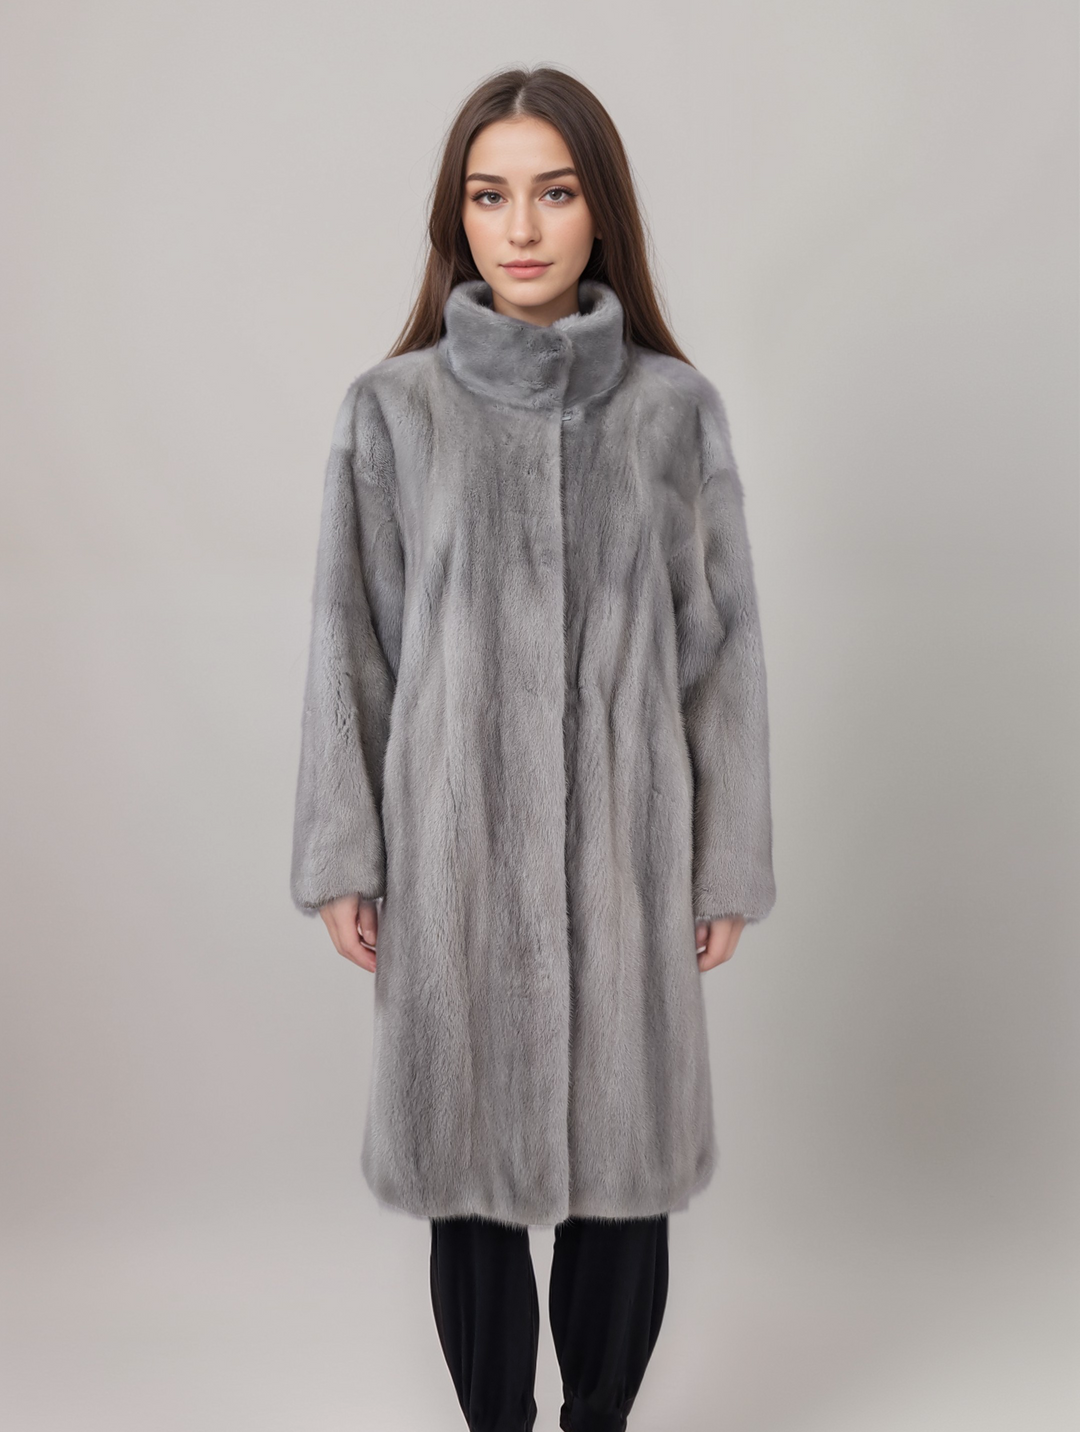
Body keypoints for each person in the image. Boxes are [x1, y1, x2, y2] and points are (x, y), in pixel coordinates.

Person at [290, 64, 776, 1432]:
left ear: (598, 210)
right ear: (456, 217)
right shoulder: (393, 413)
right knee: (470, 1175)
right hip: (455, 862)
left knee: (626, 1174)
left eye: (554, 193)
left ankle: (599, 1419)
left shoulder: (674, 414)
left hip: (628, 855)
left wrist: (723, 863)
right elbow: (349, 644)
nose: (521, 228)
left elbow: (721, 655)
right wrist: (346, 852)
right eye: (489, 195)